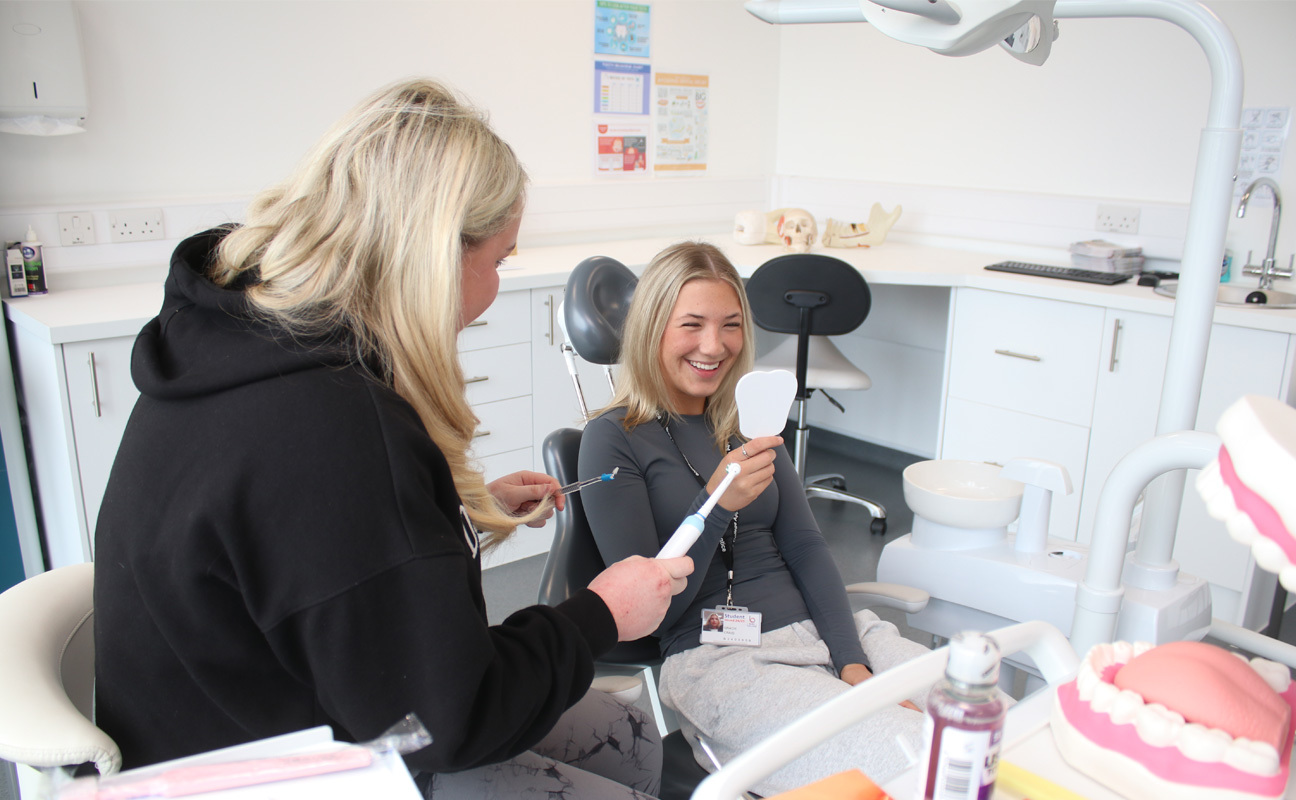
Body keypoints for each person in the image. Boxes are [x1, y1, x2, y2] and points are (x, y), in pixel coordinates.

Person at [93, 78, 693, 799]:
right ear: (434, 257)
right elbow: (453, 719)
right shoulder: (333, 428)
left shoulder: (240, 346)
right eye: (498, 261)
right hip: (269, 775)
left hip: (255, 711)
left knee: (630, 742)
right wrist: (602, 613)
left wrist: (448, 516)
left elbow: (321, 559)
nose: (495, 288)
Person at [579, 241, 930, 796]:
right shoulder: (613, 438)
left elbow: (807, 548)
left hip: (826, 632)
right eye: (691, 324)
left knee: (973, 710)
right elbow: (645, 603)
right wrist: (719, 502)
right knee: (910, 759)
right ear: (652, 329)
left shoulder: (748, 423)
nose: (713, 346)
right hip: (720, 663)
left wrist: (853, 664)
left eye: (731, 325)